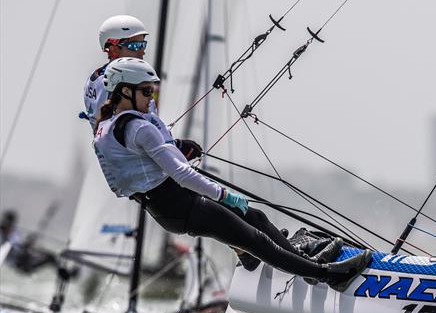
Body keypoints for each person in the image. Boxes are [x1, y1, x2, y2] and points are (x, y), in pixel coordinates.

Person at [92, 57, 371, 291]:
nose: (151, 98)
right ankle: (326, 275)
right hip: (180, 207)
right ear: (124, 91)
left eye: (152, 91)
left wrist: (176, 148)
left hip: (170, 205)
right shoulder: (140, 128)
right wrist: (225, 196)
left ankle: (291, 260)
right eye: (146, 92)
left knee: (256, 217)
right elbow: (182, 174)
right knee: (256, 240)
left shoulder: (106, 126)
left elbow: (135, 168)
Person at [83, 15, 202, 159]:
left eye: (143, 44)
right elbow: (126, 130)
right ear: (113, 49)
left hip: (133, 160)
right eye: (135, 46)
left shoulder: (96, 79)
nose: (142, 51)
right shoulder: (114, 82)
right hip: (140, 165)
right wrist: (173, 148)